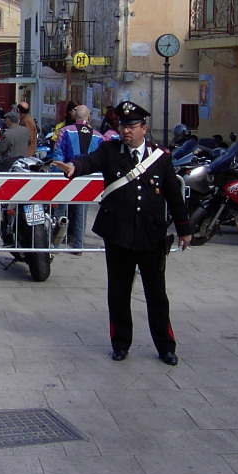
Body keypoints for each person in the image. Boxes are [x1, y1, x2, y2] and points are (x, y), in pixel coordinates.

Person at [52, 101, 192, 366]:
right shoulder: (109, 150)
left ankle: (166, 346)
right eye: (123, 126)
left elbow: (174, 195)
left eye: (131, 126)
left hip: (151, 236)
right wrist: (73, 168)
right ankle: (120, 343)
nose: (126, 131)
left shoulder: (160, 157)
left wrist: (184, 229)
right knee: (118, 293)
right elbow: (89, 161)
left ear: (144, 128)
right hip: (118, 235)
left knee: (156, 294)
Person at [51, 105, 102, 252]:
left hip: (67, 175)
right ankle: (78, 244)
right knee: (81, 210)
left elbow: (58, 154)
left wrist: (56, 173)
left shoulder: (65, 131)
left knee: (61, 210)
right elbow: (100, 158)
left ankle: (56, 244)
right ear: (89, 117)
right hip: (87, 178)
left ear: (75, 116)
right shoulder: (98, 136)